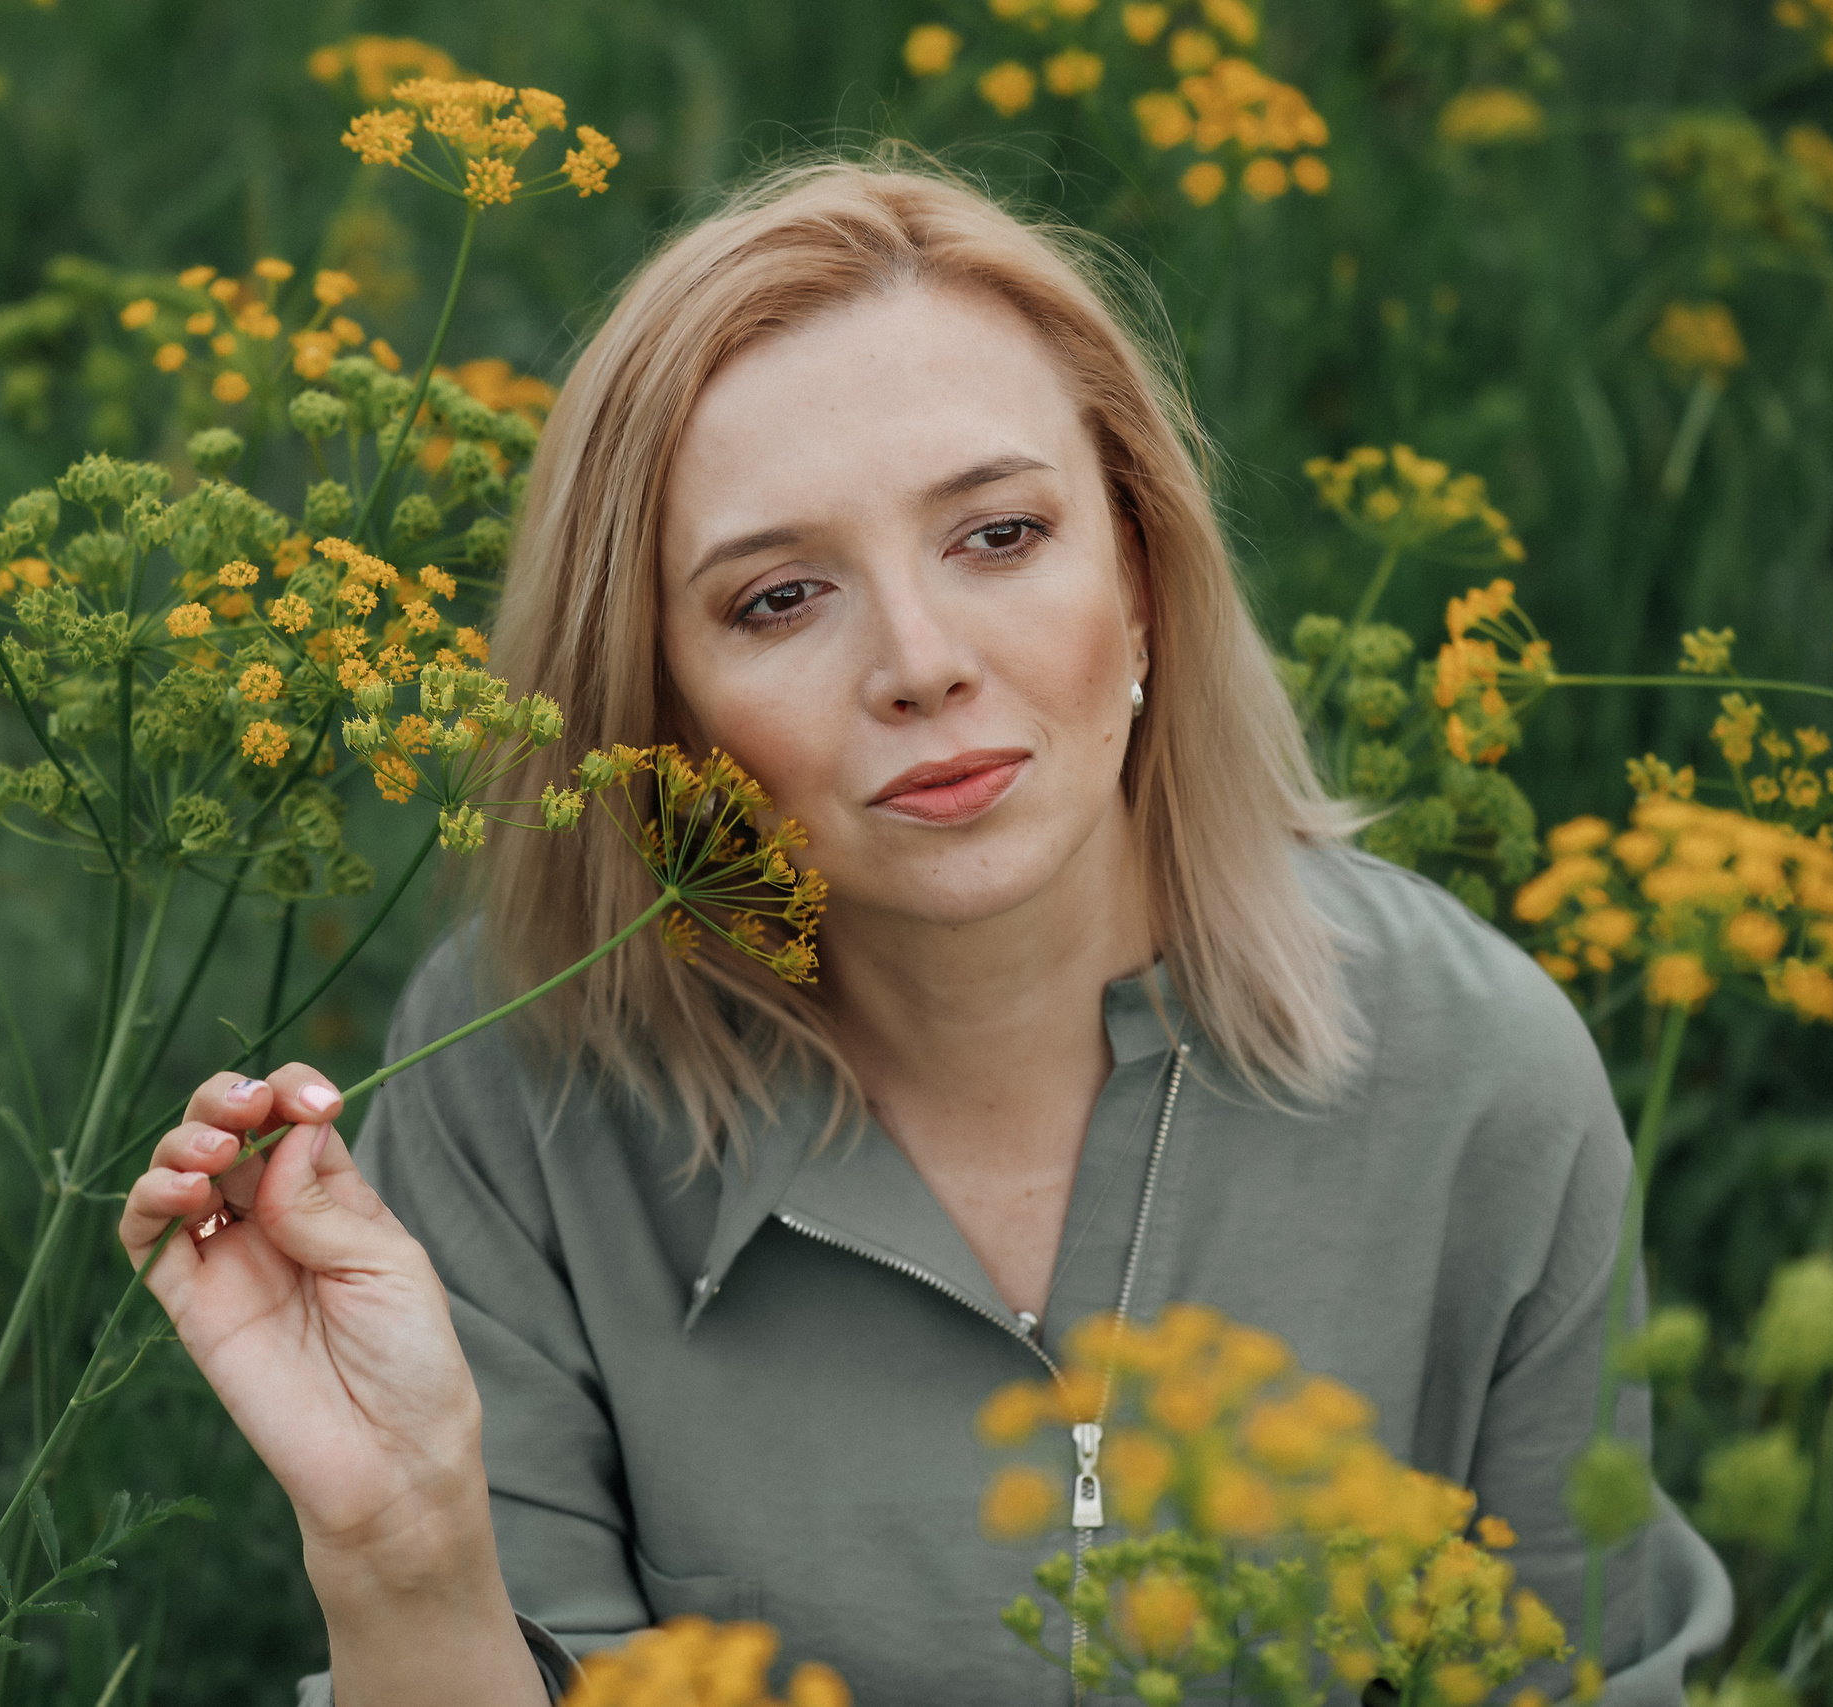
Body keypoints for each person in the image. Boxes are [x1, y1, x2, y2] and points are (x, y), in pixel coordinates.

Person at [119, 162, 1732, 1706]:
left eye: (1000, 536)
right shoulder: (513, 1083)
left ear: (1144, 575)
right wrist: (402, 1558)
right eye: (778, 598)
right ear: (652, 706)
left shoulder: (1481, 1078)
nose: (919, 661)